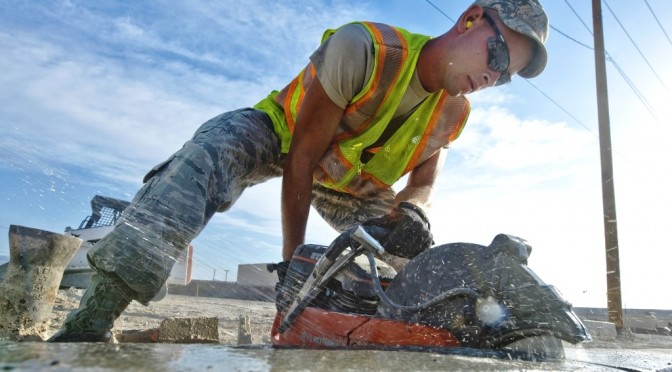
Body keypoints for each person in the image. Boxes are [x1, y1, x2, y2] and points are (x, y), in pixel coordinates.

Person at [49, 0, 549, 342]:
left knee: (411, 257)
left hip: (350, 182)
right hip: (282, 137)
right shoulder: (367, 49)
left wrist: (414, 213)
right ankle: (91, 320)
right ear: (470, 19)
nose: (491, 76)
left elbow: (421, 183)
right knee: (207, 157)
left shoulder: (454, 112)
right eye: (497, 53)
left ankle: (413, 333)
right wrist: (291, 269)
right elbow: (302, 159)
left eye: (504, 77)